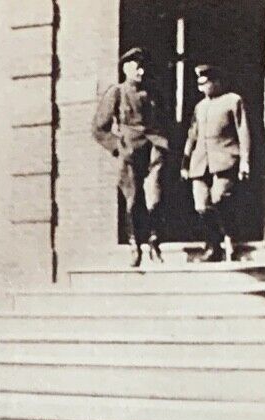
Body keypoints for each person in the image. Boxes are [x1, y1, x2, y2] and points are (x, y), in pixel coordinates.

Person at [92, 47, 170, 267]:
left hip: (154, 146)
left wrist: (164, 142)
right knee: (133, 199)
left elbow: (163, 119)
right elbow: (99, 128)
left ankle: (155, 240)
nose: (141, 72)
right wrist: (117, 147)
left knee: (155, 194)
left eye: (143, 67)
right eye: (136, 67)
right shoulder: (116, 92)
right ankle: (135, 244)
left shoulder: (153, 92)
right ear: (126, 69)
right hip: (130, 150)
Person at [185, 64, 253, 262]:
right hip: (200, 162)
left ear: (216, 82)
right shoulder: (200, 107)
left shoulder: (233, 101)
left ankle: (229, 236)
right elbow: (192, 135)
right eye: (199, 85)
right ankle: (214, 245)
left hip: (225, 159)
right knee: (201, 205)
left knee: (220, 198)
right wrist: (185, 162)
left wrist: (245, 162)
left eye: (205, 83)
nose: (202, 88)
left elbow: (243, 132)